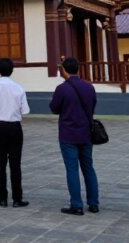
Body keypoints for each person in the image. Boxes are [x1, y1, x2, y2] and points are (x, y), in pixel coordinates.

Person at [49, 57, 99, 215]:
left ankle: (76, 204)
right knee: (88, 168)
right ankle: (94, 203)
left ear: (64, 70)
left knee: (72, 169)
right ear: (78, 69)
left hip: (68, 134)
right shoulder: (89, 87)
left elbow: (54, 108)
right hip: (86, 133)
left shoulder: (62, 89)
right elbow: (92, 106)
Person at [0, 58, 30, 208]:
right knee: (15, 164)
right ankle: (17, 198)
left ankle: (2, 198)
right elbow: (25, 111)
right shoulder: (19, 88)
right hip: (15, 127)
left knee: (0, 163)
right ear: (12, 70)